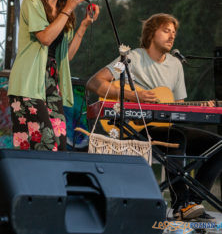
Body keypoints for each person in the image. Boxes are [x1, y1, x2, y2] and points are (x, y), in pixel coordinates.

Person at [86, 13, 221, 221]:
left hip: (165, 126)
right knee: (175, 138)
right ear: (151, 33)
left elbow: (178, 108)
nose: (171, 36)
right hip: (136, 128)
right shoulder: (132, 57)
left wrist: (202, 107)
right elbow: (95, 83)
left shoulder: (176, 65)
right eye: (166, 30)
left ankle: (192, 202)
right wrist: (134, 95)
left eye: (174, 32)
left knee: (218, 146)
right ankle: (180, 204)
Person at [8, 0, 99, 151]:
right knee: (45, 144)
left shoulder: (63, 13)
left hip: (51, 85)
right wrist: (68, 9)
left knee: (60, 144)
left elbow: (66, 57)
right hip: (28, 83)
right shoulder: (32, 2)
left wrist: (82, 26)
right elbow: (45, 38)